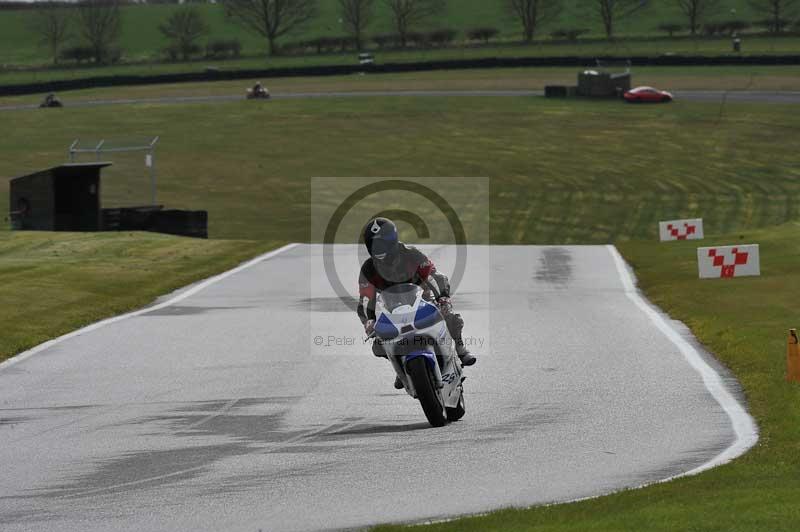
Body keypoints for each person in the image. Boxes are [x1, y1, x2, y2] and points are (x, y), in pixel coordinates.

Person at [357, 218, 476, 389]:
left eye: (381, 244)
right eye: (373, 245)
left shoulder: (411, 254)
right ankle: (402, 370)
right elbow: (365, 298)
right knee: (378, 346)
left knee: (451, 318)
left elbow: (435, 276)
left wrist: (443, 298)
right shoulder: (368, 268)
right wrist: (369, 321)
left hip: (423, 302)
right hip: (392, 311)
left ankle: (460, 349)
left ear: (392, 241)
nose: (378, 250)